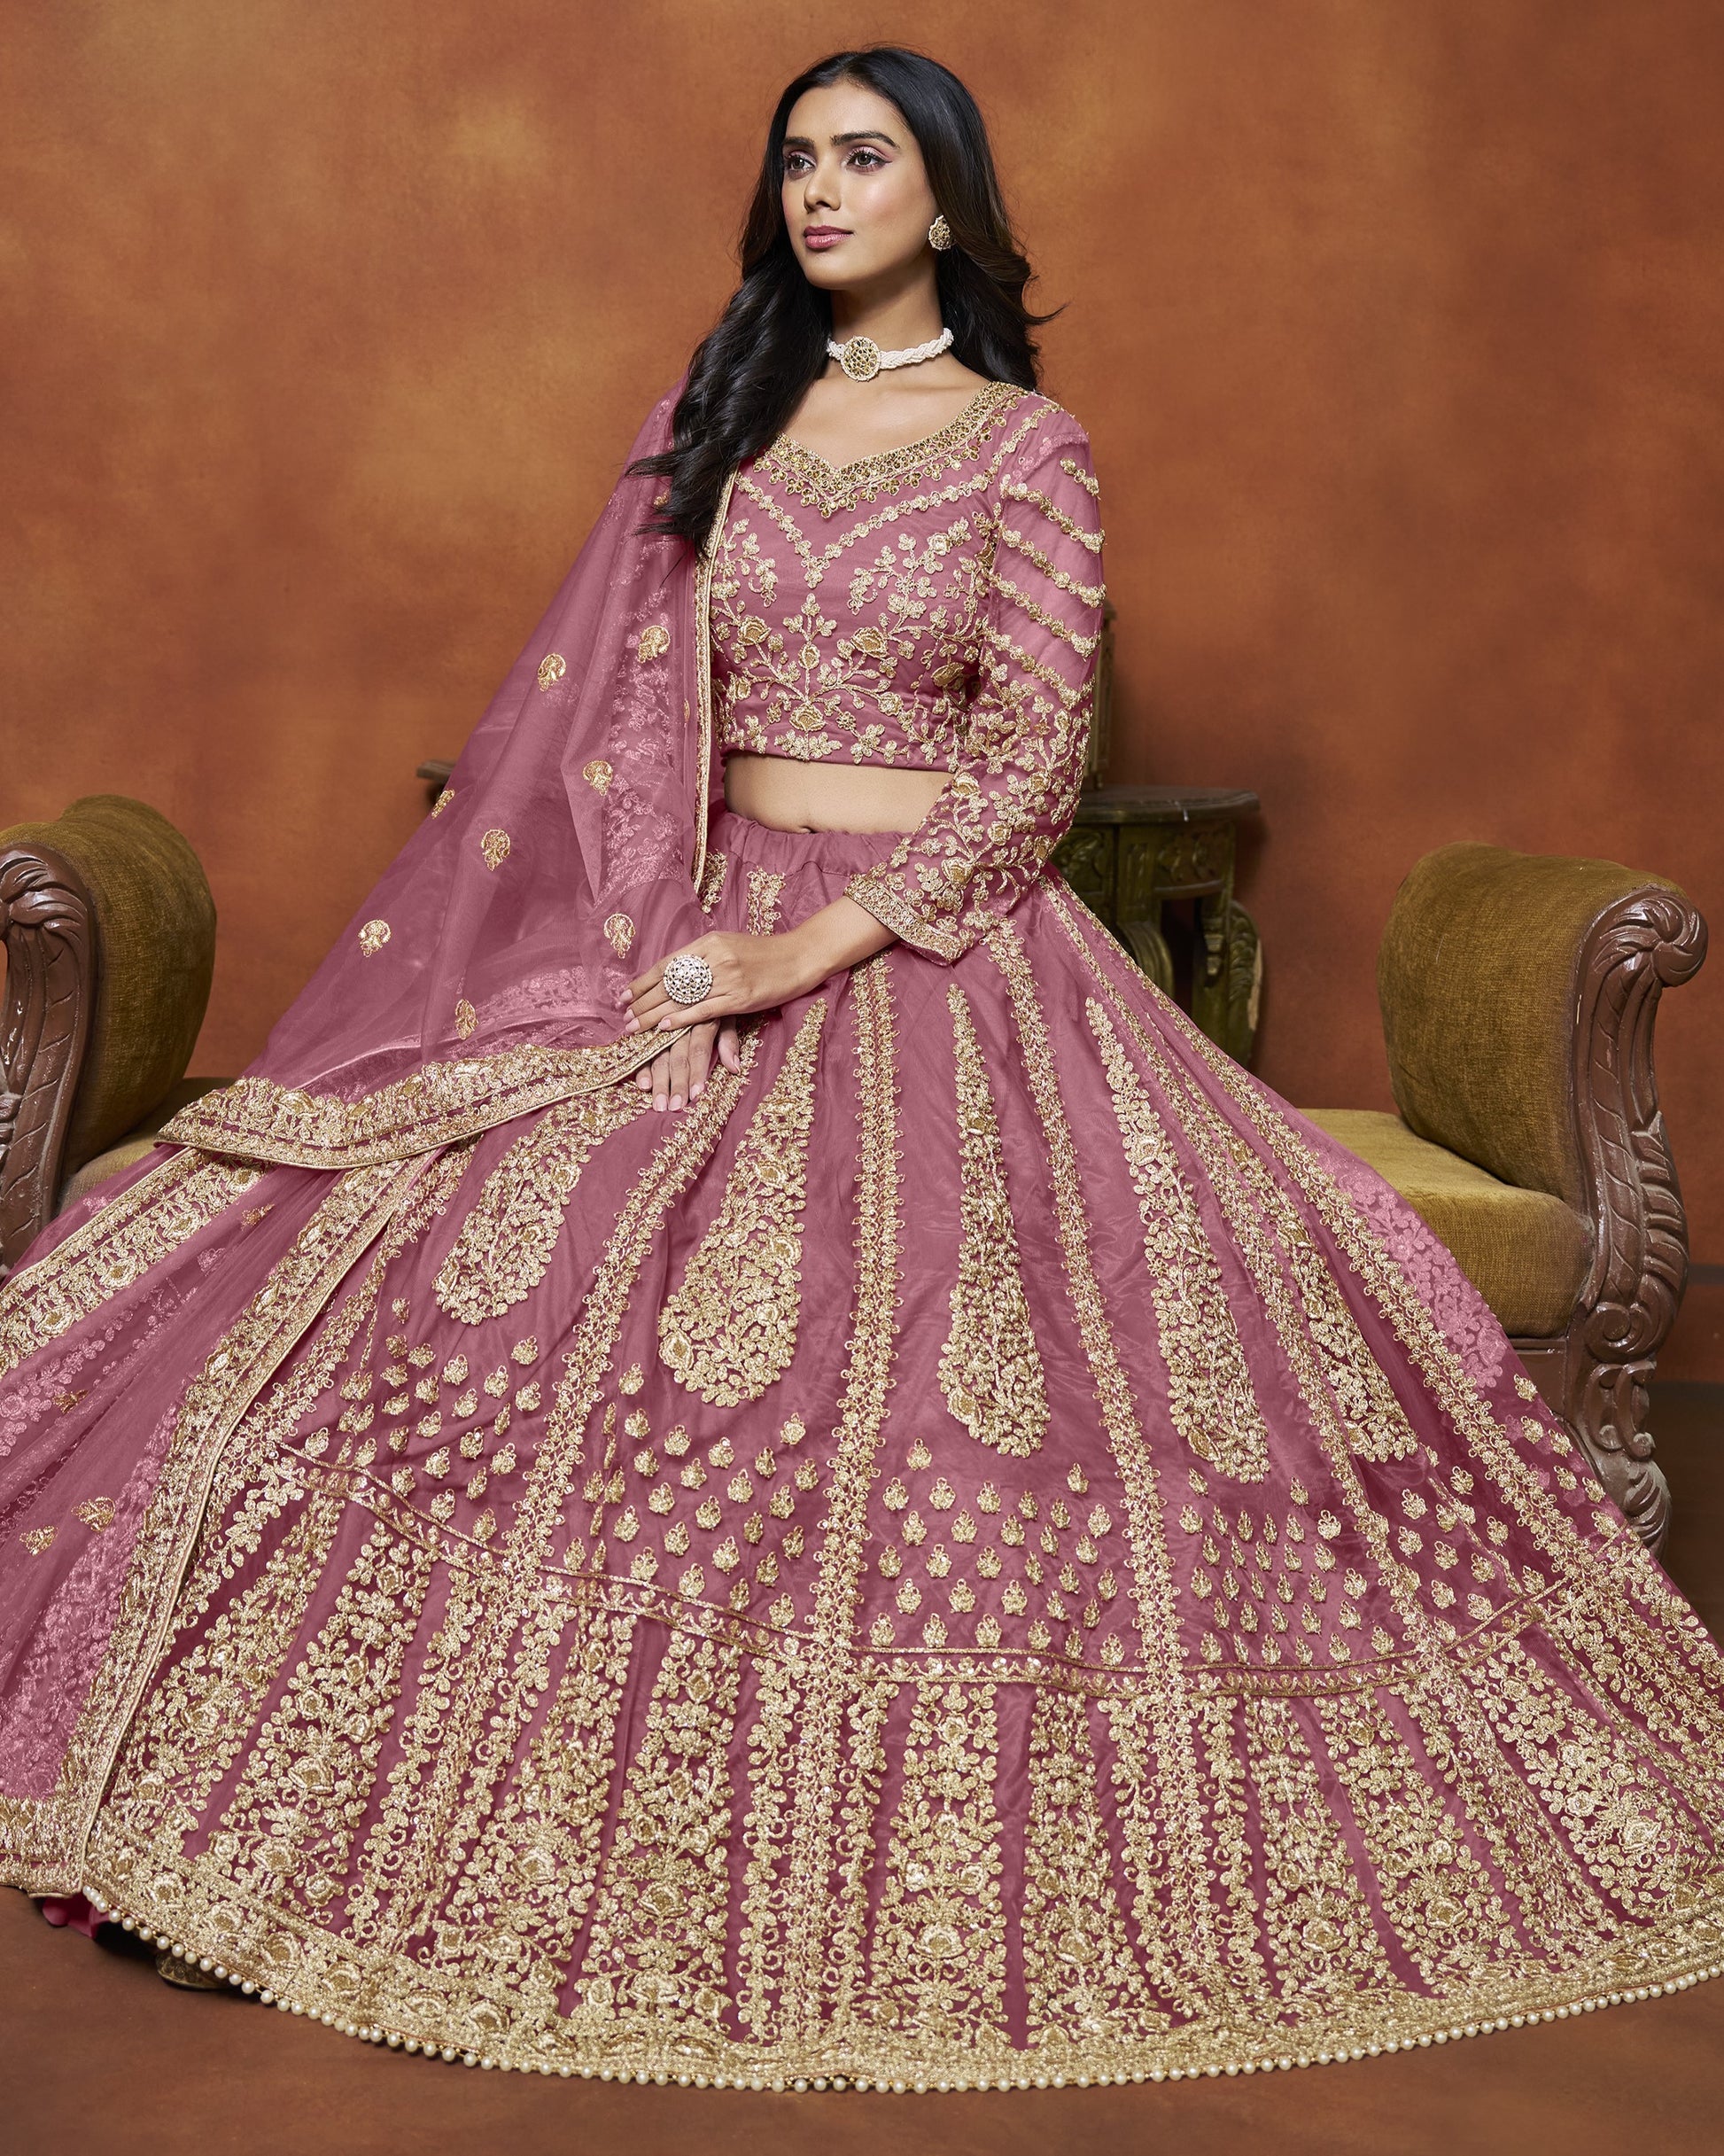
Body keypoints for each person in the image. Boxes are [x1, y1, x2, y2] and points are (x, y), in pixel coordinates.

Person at [4, 43, 1722, 2097]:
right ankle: (292, 1808)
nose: (819, 192)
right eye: (797, 161)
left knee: (936, 1327)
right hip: (689, 915)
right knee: (484, 1257)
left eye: (863, 159)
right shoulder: (718, 421)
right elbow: (603, 722)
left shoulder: (1023, 449)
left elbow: (1032, 763)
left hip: (934, 942)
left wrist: (828, 935)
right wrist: (658, 934)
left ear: (947, 198)